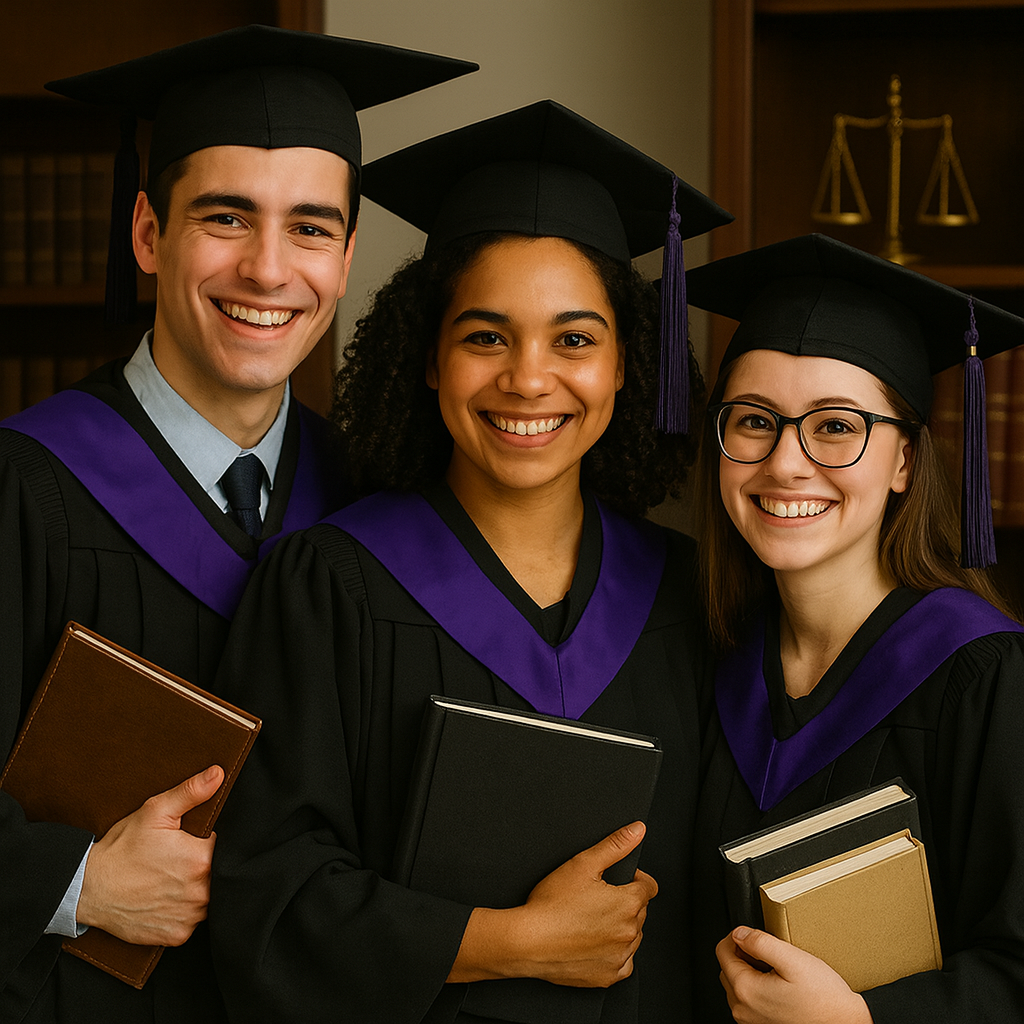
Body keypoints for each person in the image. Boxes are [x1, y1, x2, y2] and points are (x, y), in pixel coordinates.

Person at [209, 99, 732, 1024]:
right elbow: (267, 898)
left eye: (575, 339)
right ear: (427, 358)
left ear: (626, 367)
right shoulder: (329, 586)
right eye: (485, 335)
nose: (529, 378)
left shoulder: (686, 598)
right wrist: (504, 944)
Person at [0, 25, 476, 1024]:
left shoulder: (374, 504)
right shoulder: (23, 485)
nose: (268, 269)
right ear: (146, 232)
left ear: (346, 258)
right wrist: (73, 882)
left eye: (309, 228)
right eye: (225, 217)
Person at [683, 233, 1024, 1023]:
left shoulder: (982, 678)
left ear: (904, 461)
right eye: (754, 420)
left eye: (836, 426)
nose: (787, 464)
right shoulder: (703, 657)